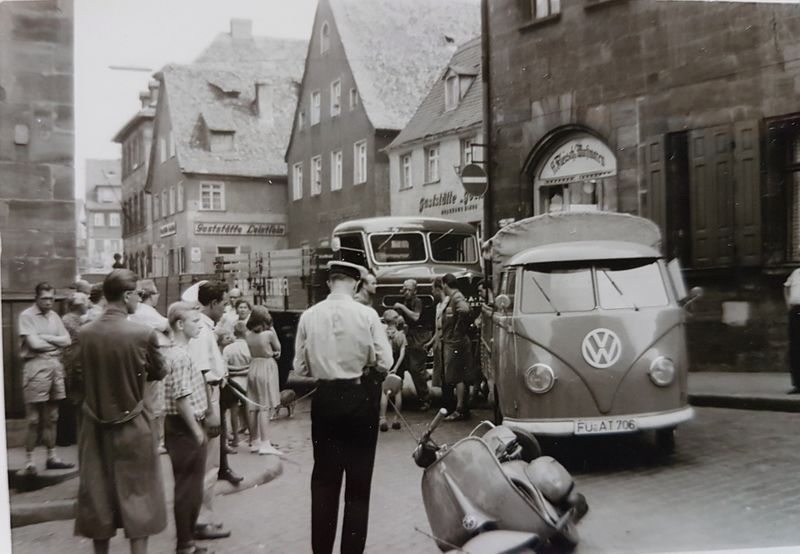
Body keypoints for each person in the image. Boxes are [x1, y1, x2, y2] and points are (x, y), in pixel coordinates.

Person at [293, 260, 393, 554]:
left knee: (324, 480)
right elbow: (384, 362)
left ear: (329, 283)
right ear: (356, 283)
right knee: (358, 486)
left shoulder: (309, 316)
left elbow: (300, 366)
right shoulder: (367, 314)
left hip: (324, 400)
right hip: (359, 398)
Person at [74, 270, 167, 554]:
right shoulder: (143, 333)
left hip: (94, 424)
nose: (139, 298)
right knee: (139, 497)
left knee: (97, 497)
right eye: (138, 293)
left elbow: (75, 379)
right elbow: (159, 370)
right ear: (127, 295)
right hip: (134, 423)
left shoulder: (84, 333)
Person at [187, 280, 239, 541]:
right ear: (213, 303)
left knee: (210, 465)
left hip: (213, 393)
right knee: (207, 467)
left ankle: (203, 517)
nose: (226, 310)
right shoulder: (201, 330)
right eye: (224, 304)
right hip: (208, 398)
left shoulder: (206, 328)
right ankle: (200, 521)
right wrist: (211, 412)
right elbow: (202, 373)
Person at [162, 302, 210, 554]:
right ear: (180, 325)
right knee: (188, 488)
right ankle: (185, 545)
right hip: (185, 427)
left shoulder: (176, 352)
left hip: (181, 426)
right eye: (195, 321)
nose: (199, 325)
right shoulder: (179, 355)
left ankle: (188, 541)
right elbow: (182, 398)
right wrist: (196, 431)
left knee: (190, 486)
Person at [17, 282, 74, 474]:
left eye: (51, 298)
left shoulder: (55, 316)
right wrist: (54, 343)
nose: (48, 302)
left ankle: (52, 457)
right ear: (36, 298)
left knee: (53, 416)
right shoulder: (27, 316)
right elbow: (33, 344)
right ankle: (29, 461)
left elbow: (67, 340)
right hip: (36, 366)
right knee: (34, 418)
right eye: (44, 298)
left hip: (55, 366)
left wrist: (46, 338)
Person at [129, 279, 170, 454]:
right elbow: (167, 325)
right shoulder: (147, 311)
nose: (158, 296)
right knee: (155, 403)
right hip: (154, 360)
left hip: (140, 359)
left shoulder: (136, 311)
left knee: (145, 400)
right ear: (150, 295)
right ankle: (156, 442)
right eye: (156, 292)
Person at [245, 306, 282, 455]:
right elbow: (278, 347)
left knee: (253, 405)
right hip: (266, 367)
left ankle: (254, 440)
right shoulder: (268, 334)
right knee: (264, 406)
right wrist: (272, 329)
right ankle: (266, 443)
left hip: (253, 366)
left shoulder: (248, 334)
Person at [393, 279, 431, 410]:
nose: (407, 292)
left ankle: (425, 399)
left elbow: (415, 317)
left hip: (420, 336)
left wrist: (402, 307)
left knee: (415, 367)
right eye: (405, 289)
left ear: (415, 291)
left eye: (409, 289)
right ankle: (397, 396)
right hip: (409, 335)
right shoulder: (406, 301)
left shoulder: (417, 301)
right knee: (404, 364)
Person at [441, 274, 473, 421]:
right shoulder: (454, 297)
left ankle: (459, 409)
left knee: (457, 375)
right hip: (454, 341)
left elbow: (465, 310)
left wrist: (457, 331)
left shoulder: (456, 297)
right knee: (456, 375)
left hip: (455, 342)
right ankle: (460, 408)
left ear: (445, 284)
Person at [59, 291, 89, 445]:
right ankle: (68, 436)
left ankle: (70, 435)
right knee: (73, 398)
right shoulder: (71, 321)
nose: (88, 304)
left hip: (73, 361)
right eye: (85, 302)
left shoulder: (73, 319)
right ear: (79, 306)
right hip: (72, 362)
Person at [425, 278, 453, 412]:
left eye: (432, 289)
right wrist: (430, 343)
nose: (432, 292)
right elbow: (438, 329)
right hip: (438, 343)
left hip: (445, 343)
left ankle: (449, 404)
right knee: (441, 374)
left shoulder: (448, 303)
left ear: (439, 288)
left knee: (447, 374)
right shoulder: (438, 306)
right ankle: (445, 402)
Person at [222, 321, 251, 449]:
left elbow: (224, 368)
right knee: (248, 409)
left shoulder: (228, 349)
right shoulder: (249, 347)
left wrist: (234, 370)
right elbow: (252, 366)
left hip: (233, 382)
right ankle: (252, 437)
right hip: (247, 381)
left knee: (234, 411)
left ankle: (236, 439)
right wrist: (244, 368)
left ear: (234, 334)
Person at [378, 309, 406, 432]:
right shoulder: (401, 335)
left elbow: (383, 351)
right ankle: (396, 419)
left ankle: (382, 418)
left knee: (385, 392)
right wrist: (396, 368)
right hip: (397, 367)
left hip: (386, 366)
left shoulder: (382, 334)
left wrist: (388, 367)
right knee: (398, 392)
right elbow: (402, 354)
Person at [786, 268, 800, 394]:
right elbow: (786, 287)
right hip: (795, 312)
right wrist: (788, 304)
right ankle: (797, 384)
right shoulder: (796, 273)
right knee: (795, 347)